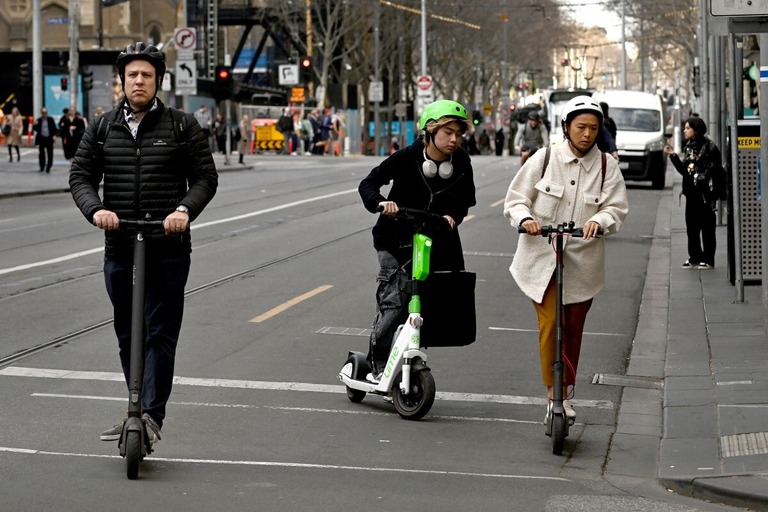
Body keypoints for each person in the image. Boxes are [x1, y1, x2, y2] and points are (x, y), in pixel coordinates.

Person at [69, 42, 218, 445]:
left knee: (159, 333)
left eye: (146, 75)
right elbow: (80, 176)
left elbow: (206, 178)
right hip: (120, 245)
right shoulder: (102, 128)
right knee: (126, 332)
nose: (139, 81)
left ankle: (150, 415)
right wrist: (96, 210)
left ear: (157, 82)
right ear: (122, 81)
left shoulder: (182, 126)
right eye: (132, 75)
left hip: (167, 247)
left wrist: (184, 211)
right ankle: (134, 405)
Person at [503, 95, 628, 423]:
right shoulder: (544, 159)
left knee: (572, 327)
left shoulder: (607, 167)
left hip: (582, 264)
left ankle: (566, 391)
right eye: (581, 127)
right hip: (540, 259)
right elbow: (516, 200)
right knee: (551, 324)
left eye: (593, 128)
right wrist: (524, 218)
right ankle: (552, 393)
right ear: (566, 128)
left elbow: (616, 208)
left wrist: (599, 221)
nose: (587, 134)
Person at [358, 99, 476, 380]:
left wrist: (453, 216)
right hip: (394, 239)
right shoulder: (406, 157)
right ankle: (378, 366)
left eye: (458, 133)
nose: (454, 139)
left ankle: (408, 359)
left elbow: (466, 200)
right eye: (448, 132)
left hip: (435, 240)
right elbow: (368, 184)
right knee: (397, 300)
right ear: (430, 131)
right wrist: (381, 204)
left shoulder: (461, 162)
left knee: (432, 300)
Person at [664, 117, 726, 269]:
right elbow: (685, 171)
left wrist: (700, 163)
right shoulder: (689, 147)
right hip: (691, 194)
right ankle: (695, 257)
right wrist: (673, 156)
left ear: (696, 130)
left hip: (705, 194)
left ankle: (708, 259)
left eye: (687, 128)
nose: (684, 131)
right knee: (691, 228)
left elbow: (715, 170)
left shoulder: (710, 148)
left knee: (707, 228)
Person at [33, 107, 58, 172]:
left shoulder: (50, 119)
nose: (44, 114)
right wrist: (34, 124)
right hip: (41, 138)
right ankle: (42, 166)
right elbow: (35, 129)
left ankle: (48, 166)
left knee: (50, 153)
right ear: (41, 113)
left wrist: (54, 135)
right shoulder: (39, 120)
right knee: (41, 153)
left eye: (45, 112)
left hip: (49, 138)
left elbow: (54, 128)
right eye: (43, 113)